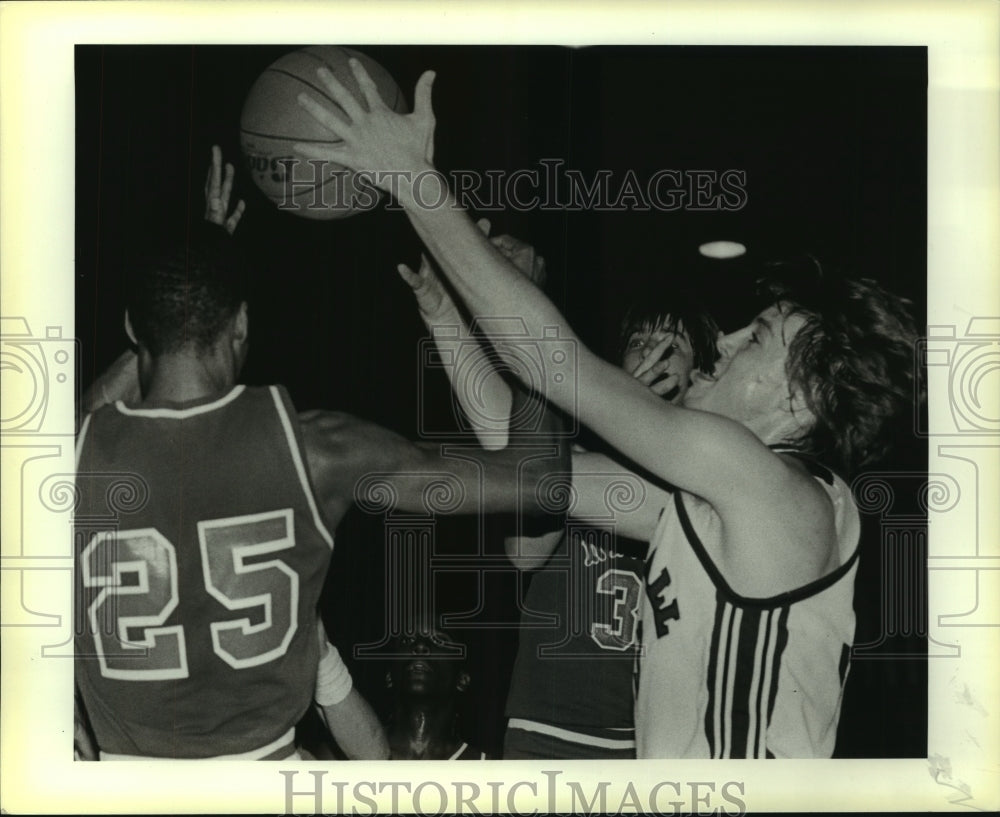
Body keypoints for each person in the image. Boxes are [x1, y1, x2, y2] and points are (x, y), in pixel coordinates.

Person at [293, 61, 920, 758]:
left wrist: (412, 179)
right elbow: (535, 465)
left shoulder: (774, 489)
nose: (730, 338)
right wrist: (448, 319)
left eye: (757, 338)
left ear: (799, 401)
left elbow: (553, 362)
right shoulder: (729, 505)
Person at [73, 148, 569, 761]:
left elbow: (95, 405)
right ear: (242, 326)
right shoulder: (318, 448)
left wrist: (193, 280)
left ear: (131, 328)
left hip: (120, 789)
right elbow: (541, 483)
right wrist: (524, 303)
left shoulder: (65, 455)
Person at [399, 242, 719, 758]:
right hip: (549, 728)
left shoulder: (713, 478)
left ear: (702, 373)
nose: (650, 354)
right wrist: (442, 315)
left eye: (671, 345)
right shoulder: (573, 455)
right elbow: (523, 551)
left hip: (656, 745)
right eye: (639, 341)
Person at [382, 627, 490, 760]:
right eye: (407, 640)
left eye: (440, 641)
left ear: (462, 680)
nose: (420, 646)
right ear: (389, 676)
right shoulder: (354, 755)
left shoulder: (486, 768)